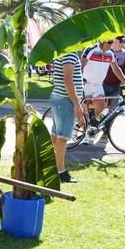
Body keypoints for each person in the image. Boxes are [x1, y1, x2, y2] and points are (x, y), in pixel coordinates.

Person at [81, 39, 125, 144]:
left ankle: (89, 134)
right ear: (102, 42)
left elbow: (116, 69)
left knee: (100, 112)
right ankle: (83, 133)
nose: (111, 45)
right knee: (85, 113)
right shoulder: (91, 50)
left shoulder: (111, 53)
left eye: (112, 42)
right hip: (86, 84)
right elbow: (81, 65)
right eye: (109, 43)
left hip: (98, 85)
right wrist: (79, 80)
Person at [49, 52, 85, 183]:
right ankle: (60, 171)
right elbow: (68, 80)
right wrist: (76, 103)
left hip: (61, 99)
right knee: (62, 137)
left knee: (56, 135)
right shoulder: (69, 54)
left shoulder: (65, 52)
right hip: (65, 101)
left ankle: (48, 165)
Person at [103, 35, 125, 103]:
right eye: (121, 41)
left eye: (124, 42)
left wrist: (123, 82)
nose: (123, 44)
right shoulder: (106, 52)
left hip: (117, 85)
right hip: (103, 84)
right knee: (102, 107)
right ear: (114, 41)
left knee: (114, 107)